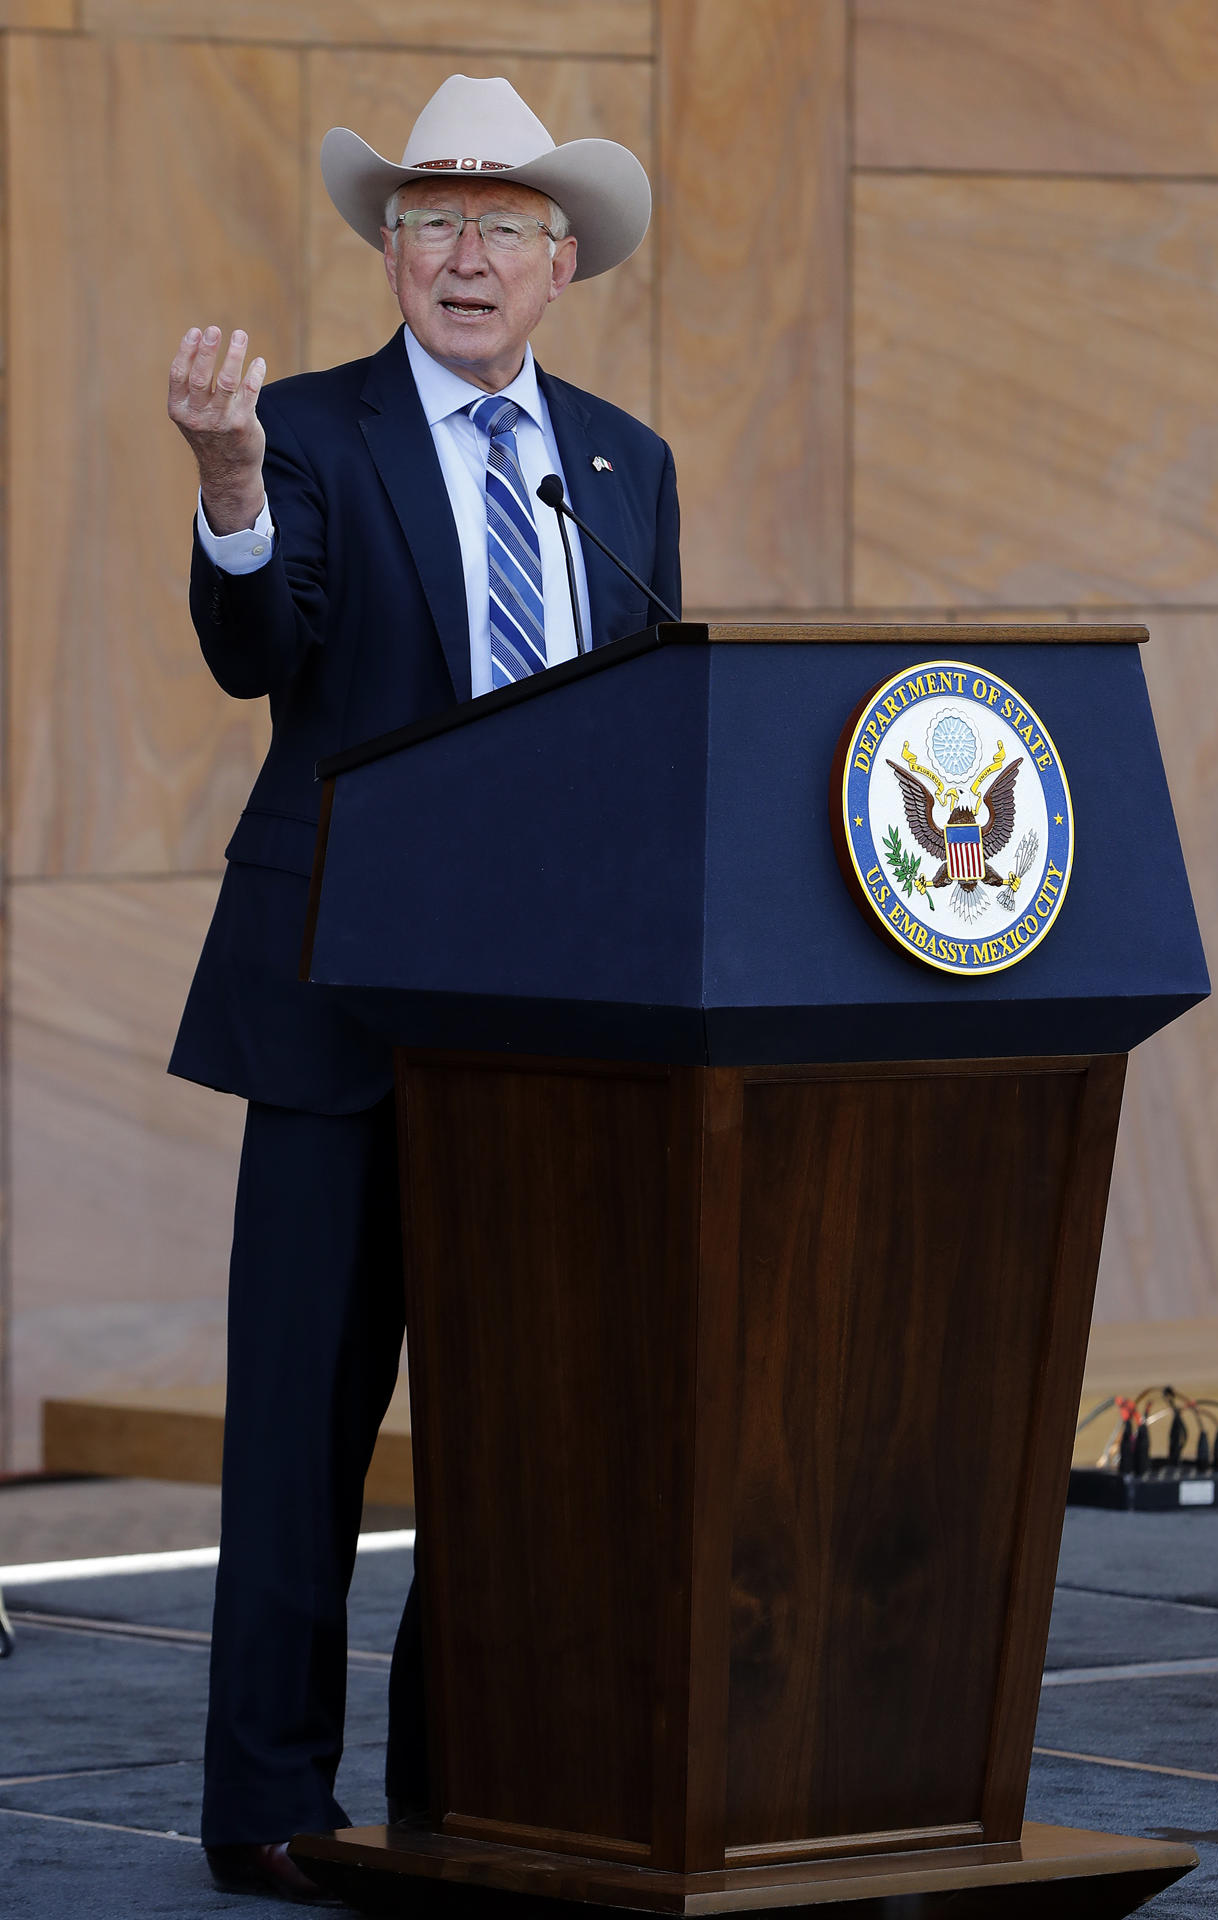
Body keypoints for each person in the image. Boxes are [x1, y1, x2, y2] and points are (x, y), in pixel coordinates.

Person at [166, 72, 681, 1905]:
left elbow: (648, 732)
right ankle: (271, 1810)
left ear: (562, 267)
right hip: (336, 1000)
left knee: (519, 1423)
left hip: (546, 1034)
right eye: (435, 222)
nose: (468, 256)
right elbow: (261, 648)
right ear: (391, 251)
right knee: (303, 1417)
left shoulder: (622, 463)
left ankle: (468, 1788)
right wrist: (229, 484)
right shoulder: (302, 431)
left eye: (505, 229)